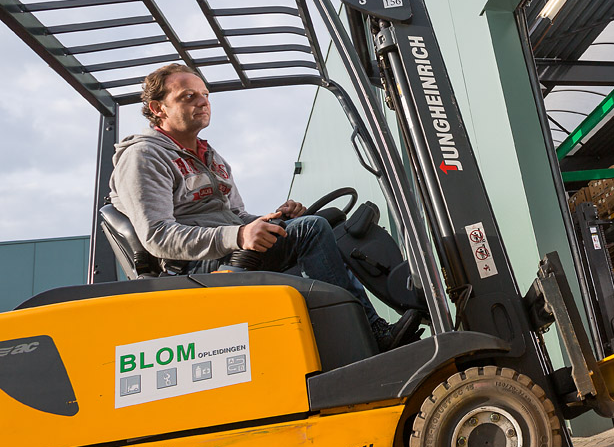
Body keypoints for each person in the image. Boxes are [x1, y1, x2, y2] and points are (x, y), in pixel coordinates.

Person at [109, 63, 401, 352]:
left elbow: (236, 216)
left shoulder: (212, 157)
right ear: (158, 108)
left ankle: (349, 334)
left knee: (322, 224)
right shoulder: (144, 157)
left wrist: (271, 219)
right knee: (311, 230)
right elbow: (158, 236)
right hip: (190, 265)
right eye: (188, 96)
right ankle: (367, 334)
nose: (203, 102)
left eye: (205, 94)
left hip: (226, 248)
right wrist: (239, 236)